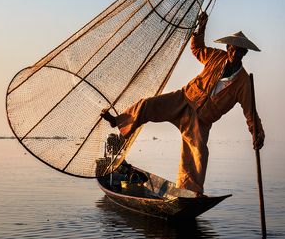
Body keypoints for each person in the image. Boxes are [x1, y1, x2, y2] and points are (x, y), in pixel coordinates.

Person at [101, 12, 264, 195]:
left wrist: (257, 133)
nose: (235, 53)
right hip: (184, 99)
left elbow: (250, 112)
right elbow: (197, 49)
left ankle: (189, 192)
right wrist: (201, 28)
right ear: (228, 48)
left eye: (240, 51)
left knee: (197, 155)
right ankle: (119, 121)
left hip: (201, 120)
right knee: (147, 105)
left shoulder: (243, 82)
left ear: (245, 53)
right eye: (233, 49)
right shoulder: (216, 57)